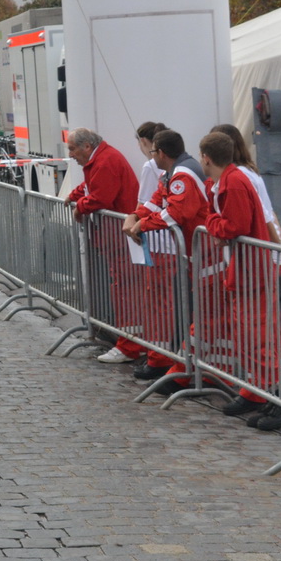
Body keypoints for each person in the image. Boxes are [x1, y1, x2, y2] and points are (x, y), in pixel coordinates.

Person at [201, 130, 281, 430]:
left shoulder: (234, 181)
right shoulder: (232, 179)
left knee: (257, 338)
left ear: (206, 158)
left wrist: (212, 222)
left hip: (251, 271)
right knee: (250, 337)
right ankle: (269, 393)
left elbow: (235, 225)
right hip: (249, 269)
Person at [122, 129, 209, 383]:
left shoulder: (182, 174)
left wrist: (142, 224)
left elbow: (177, 212)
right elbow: (157, 201)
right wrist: (134, 216)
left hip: (203, 251)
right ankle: (174, 363)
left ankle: (189, 368)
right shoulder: (174, 172)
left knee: (202, 314)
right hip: (195, 251)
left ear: (161, 153)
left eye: (152, 152)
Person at [63, 128, 144, 367]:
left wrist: (80, 206)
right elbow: (93, 188)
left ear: (87, 147)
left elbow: (100, 197)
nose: (71, 154)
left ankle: (131, 345)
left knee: (126, 291)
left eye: (72, 149)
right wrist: (75, 195)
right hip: (117, 236)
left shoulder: (105, 161)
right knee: (124, 289)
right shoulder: (102, 159)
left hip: (120, 238)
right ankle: (131, 343)